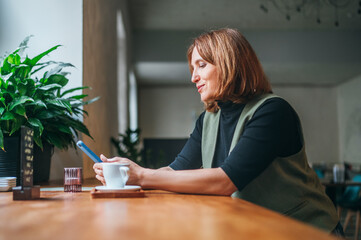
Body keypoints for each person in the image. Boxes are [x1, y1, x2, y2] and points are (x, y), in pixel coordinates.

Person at [93, 28, 344, 236]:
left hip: (306, 230)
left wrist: (143, 176)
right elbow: (175, 170)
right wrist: (128, 173)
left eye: (201, 65)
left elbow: (226, 180)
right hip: (258, 229)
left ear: (229, 64)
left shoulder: (273, 111)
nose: (193, 77)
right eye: (193, 68)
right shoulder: (209, 118)